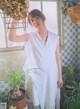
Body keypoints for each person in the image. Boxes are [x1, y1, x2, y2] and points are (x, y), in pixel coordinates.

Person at [9, 9, 63, 109]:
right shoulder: (30, 36)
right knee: (36, 102)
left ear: (42, 17)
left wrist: (60, 77)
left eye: (36, 18)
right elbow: (12, 37)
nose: (34, 21)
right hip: (36, 77)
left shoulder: (55, 37)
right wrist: (15, 18)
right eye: (31, 20)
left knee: (50, 100)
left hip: (52, 75)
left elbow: (57, 58)